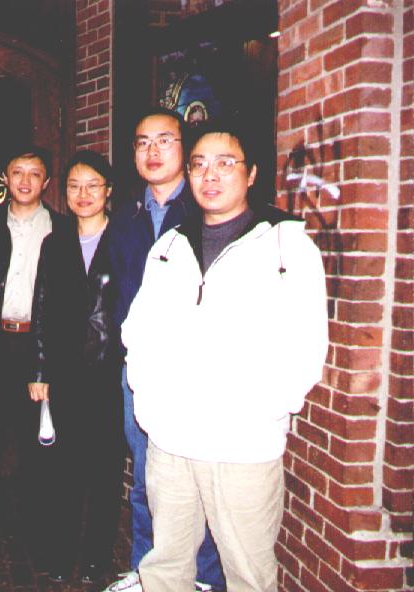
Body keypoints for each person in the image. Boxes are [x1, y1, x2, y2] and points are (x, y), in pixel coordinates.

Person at [122, 120, 328, 591]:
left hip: (243, 447)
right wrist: (151, 408)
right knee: (165, 568)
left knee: (248, 574)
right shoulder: (169, 246)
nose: (210, 176)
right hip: (171, 442)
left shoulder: (286, 246)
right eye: (199, 165)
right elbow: (138, 332)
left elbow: (307, 343)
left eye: (225, 163)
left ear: (251, 173)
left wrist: (264, 410)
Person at [104, 107, 225, 592]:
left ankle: (203, 580)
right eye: (142, 142)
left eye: (164, 140)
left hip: (196, 370)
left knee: (200, 479)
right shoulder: (125, 218)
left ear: (184, 147)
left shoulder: (205, 209)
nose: (152, 151)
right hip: (140, 369)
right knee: (145, 480)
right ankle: (148, 573)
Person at [29, 150, 123, 584]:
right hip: (66, 372)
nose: (83, 195)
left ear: (108, 191)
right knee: (63, 470)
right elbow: (42, 307)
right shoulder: (55, 243)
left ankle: (95, 559)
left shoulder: (125, 240)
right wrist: (40, 371)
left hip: (111, 373)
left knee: (104, 471)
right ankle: (59, 553)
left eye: (92, 186)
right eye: (74, 186)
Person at [0, 146, 66, 548]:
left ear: (47, 182)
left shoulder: (62, 229)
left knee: (38, 439)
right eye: (17, 172)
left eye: (34, 173)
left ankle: (36, 528)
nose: (25, 181)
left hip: (38, 343)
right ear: (5, 178)